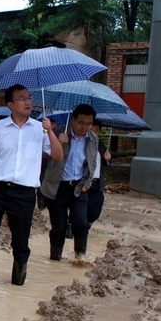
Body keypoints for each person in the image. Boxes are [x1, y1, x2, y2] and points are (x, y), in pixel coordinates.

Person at [0, 85, 63, 286]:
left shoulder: (40, 129)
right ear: (11, 105)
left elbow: (58, 155)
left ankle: (18, 284)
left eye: (29, 98)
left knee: (21, 240)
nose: (28, 102)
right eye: (22, 98)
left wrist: (50, 132)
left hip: (25, 193)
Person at [40, 104, 98, 261]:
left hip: (78, 186)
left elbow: (92, 162)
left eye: (89, 124)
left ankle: (80, 257)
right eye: (81, 123)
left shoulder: (92, 138)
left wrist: (87, 182)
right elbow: (41, 155)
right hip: (57, 186)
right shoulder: (59, 132)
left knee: (81, 222)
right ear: (73, 120)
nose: (84, 127)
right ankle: (55, 259)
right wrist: (57, 143)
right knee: (59, 227)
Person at [87, 119, 112, 224]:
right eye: (91, 131)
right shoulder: (83, 144)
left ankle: (88, 224)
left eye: (96, 131)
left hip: (97, 182)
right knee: (82, 206)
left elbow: (107, 163)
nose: (94, 133)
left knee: (97, 203)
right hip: (84, 181)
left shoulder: (101, 146)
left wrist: (108, 159)